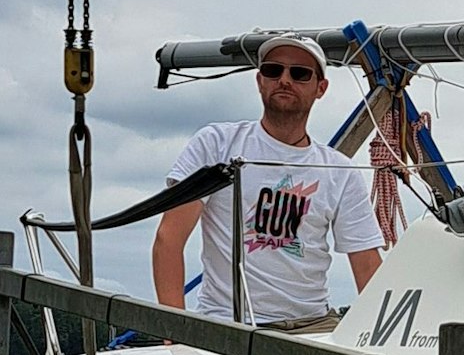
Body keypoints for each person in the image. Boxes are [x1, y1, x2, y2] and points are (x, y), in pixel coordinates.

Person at [152, 35, 383, 334]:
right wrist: (175, 331)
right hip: (227, 323)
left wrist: (383, 341)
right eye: (274, 70)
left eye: (300, 73)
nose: (285, 80)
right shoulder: (216, 144)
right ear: (260, 81)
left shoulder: (340, 171)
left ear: (320, 88)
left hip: (313, 326)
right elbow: (169, 238)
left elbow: (366, 262)